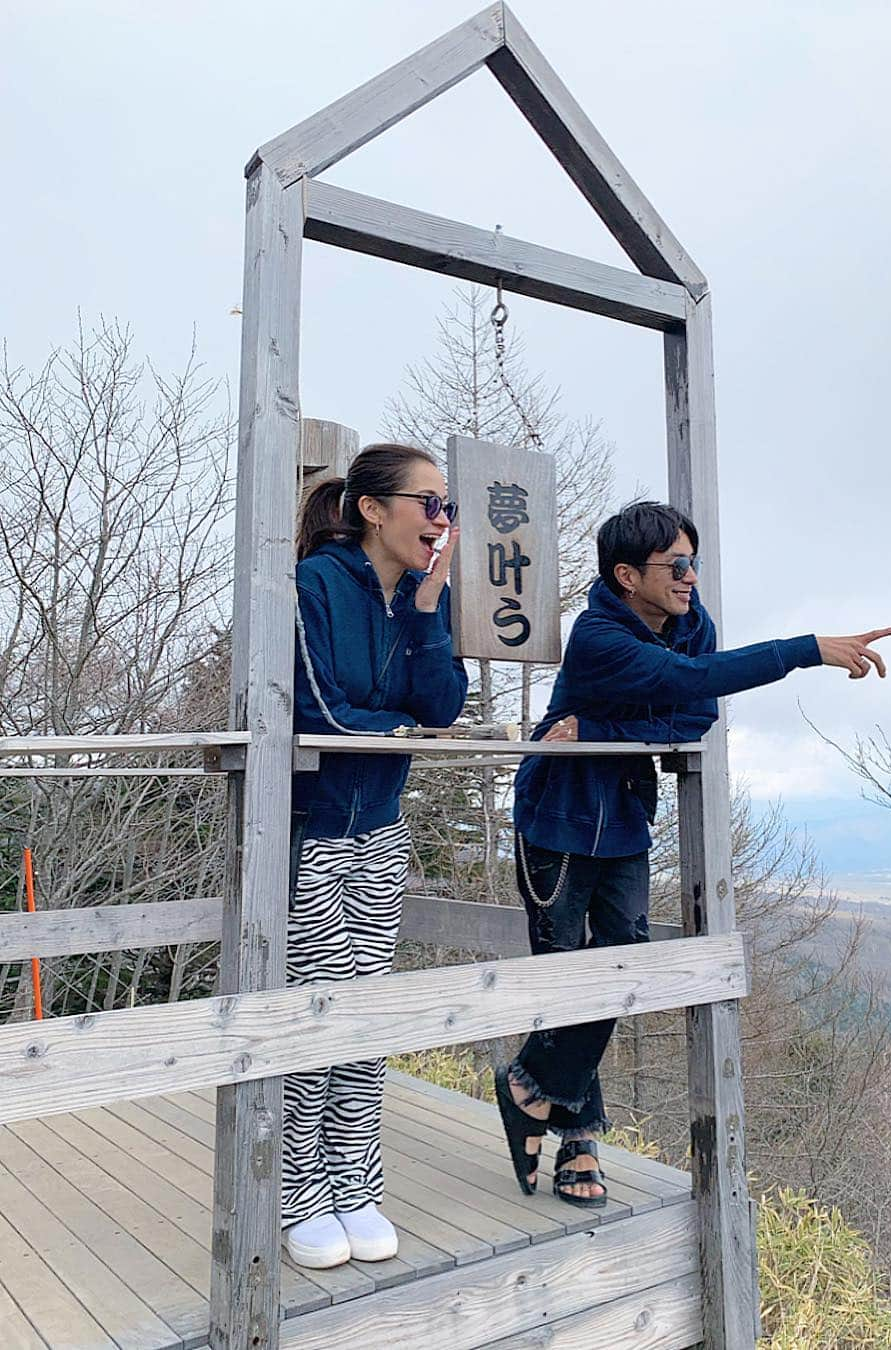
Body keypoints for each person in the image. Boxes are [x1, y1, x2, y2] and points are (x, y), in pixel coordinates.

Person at [496, 500, 891, 1208]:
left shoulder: (692, 626)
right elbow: (685, 685)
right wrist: (806, 648)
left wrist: (598, 725)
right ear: (627, 575)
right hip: (558, 815)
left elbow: (698, 710)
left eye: (694, 562)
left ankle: (530, 1083)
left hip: (621, 816)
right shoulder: (596, 634)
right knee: (567, 976)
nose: (689, 578)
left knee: (623, 962)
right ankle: (580, 1136)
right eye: (675, 566)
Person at [284, 443, 467, 1269]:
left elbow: (443, 706)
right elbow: (319, 704)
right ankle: (299, 1192)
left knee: (367, 1013)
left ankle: (355, 1184)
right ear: (372, 509)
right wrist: (396, 728)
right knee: (315, 1010)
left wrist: (429, 608)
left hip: (380, 831)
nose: (441, 520)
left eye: (448, 508)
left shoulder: (421, 598)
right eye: (429, 503)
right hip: (314, 827)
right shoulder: (315, 584)